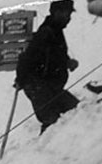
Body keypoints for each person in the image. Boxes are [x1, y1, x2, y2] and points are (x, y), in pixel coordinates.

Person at [16, 0, 80, 133]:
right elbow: (26, 58)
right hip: (38, 87)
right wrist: (21, 78)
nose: (69, 18)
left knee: (76, 110)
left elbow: (55, 56)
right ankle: (43, 150)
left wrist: (67, 62)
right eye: (67, 14)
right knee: (52, 121)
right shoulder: (46, 32)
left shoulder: (55, 31)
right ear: (57, 13)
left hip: (50, 87)